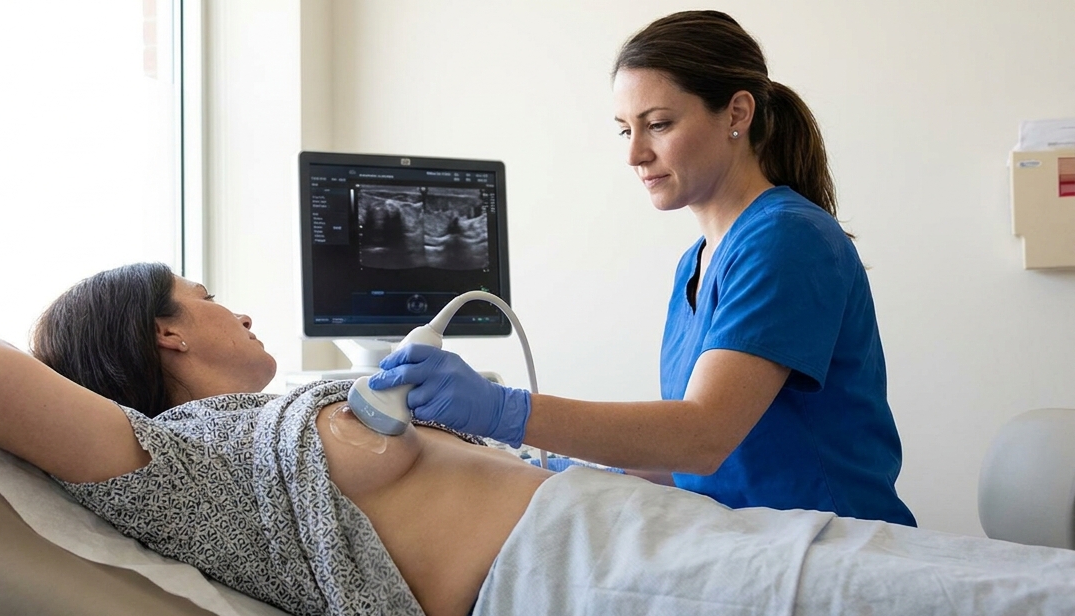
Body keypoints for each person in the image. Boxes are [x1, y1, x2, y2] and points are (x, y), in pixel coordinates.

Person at [0, 261, 554, 616]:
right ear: (165, 332)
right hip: (540, 597)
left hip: (594, 528)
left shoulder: (281, 410)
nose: (244, 316)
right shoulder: (181, 462)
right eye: (208, 300)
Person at [369, 10, 915, 527]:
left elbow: (703, 436)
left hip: (832, 547)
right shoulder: (697, 263)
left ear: (737, 114)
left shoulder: (787, 238)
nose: (635, 155)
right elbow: (699, 459)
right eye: (625, 130)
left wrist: (502, 410)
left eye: (657, 124)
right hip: (751, 542)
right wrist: (560, 466)